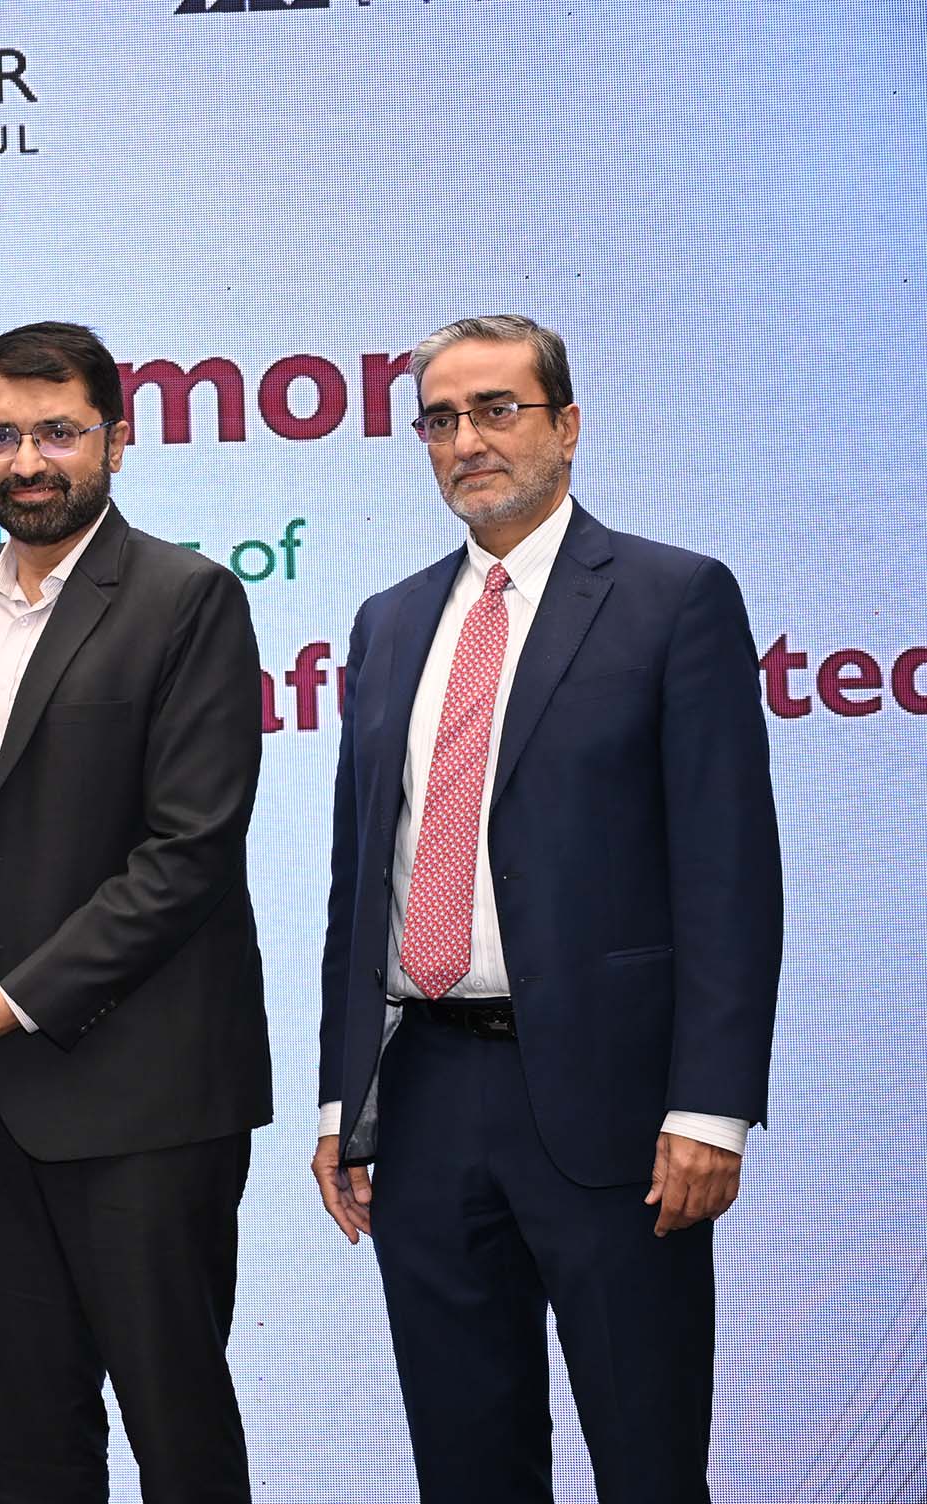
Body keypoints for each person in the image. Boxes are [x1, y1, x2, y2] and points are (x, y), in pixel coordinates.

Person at [312, 315, 780, 1503]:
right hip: (424, 1098)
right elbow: (361, 878)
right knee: (466, 1469)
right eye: (441, 419)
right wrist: (342, 1099)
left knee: (647, 1463)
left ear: (566, 426)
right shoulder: (388, 621)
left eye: (497, 409)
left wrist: (712, 1109)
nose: (467, 439)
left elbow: (729, 871)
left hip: (614, 1106)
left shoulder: (674, 597)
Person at [0, 321, 269, 1504]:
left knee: (176, 1431)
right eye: (0, 436)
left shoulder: (188, 599)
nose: (27, 461)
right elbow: (19, 814)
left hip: (140, 1094)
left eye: (57, 433)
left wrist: (17, 1001)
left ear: (116, 442)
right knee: (27, 1435)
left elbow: (188, 851)